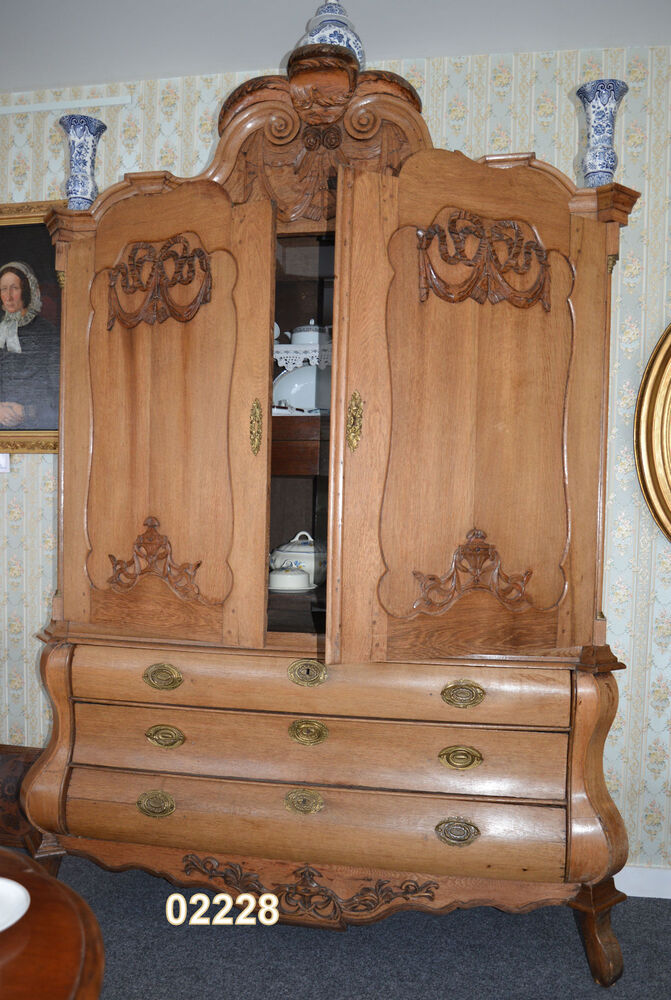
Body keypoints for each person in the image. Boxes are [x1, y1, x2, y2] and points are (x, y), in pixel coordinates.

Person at [0, 260, 59, 430]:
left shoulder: (47, 332)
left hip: (37, 425)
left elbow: (59, 391)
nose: (8, 296)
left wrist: (27, 411)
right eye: (3, 289)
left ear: (26, 290)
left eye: (14, 288)